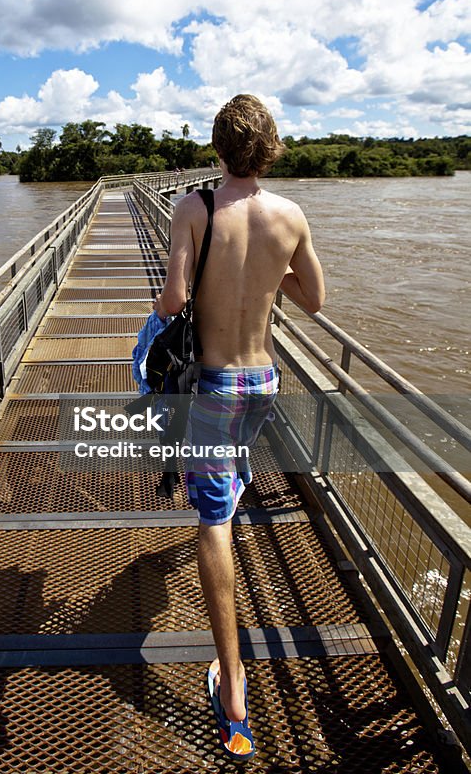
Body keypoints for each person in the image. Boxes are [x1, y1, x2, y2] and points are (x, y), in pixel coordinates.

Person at [153, 94, 325, 759]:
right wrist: (269, 273)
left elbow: (173, 299)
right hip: (262, 384)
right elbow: (313, 299)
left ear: (216, 147)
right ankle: (226, 486)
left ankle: (231, 686)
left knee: (212, 521)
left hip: (215, 389)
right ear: (270, 148)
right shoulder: (290, 215)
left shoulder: (194, 208)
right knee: (228, 479)